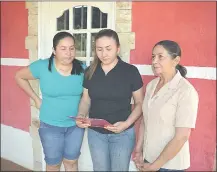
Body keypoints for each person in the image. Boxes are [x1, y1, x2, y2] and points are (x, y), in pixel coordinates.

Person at [15, 31, 86, 171]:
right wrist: (36, 99)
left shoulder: (82, 69)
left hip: (75, 126)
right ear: (54, 50)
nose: (69, 52)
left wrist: (83, 115)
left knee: (71, 162)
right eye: (63, 48)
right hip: (50, 126)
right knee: (53, 164)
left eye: (72, 48)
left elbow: (86, 96)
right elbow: (19, 76)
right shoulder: (42, 66)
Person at [76, 29, 144, 171]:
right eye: (99, 49)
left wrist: (126, 124)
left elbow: (139, 103)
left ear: (117, 48)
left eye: (108, 49)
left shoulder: (130, 71)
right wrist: (81, 115)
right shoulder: (90, 71)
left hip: (122, 134)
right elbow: (86, 99)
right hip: (96, 134)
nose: (104, 54)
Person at [133, 40, 199, 171]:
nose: (154, 61)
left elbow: (182, 136)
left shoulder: (185, 91)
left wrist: (155, 166)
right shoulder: (152, 85)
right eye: (153, 57)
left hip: (170, 165)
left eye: (160, 57)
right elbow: (145, 121)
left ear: (176, 60)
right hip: (148, 158)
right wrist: (139, 150)